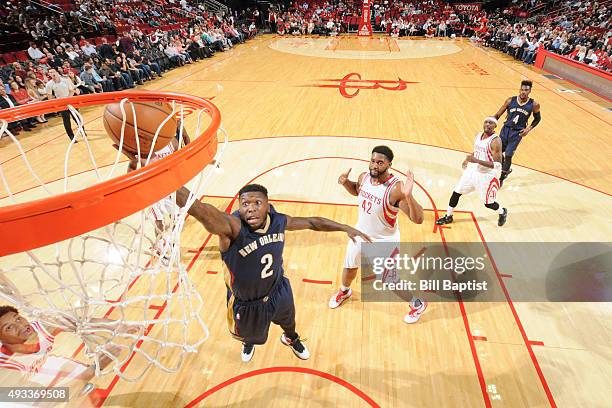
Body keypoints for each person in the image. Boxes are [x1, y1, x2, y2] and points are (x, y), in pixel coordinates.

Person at [175, 184, 371, 362]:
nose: (250, 208)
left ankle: (291, 338)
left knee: (289, 322)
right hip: (247, 303)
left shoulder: (278, 221)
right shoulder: (231, 228)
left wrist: (344, 227)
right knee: (250, 335)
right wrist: (168, 184)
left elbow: (313, 222)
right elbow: (200, 210)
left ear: (268, 206)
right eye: (245, 204)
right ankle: (248, 342)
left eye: (257, 203)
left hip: (278, 289)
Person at [329, 146, 428, 324]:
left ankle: (418, 304)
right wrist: (345, 183)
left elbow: (418, 219)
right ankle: (344, 291)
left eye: (380, 162)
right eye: (373, 161)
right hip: (360, 233)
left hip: (384, 241)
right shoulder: (364, 177)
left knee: (390, 281)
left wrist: (409, 196)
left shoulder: (395, 189)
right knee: (350, 267)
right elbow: (357, 190)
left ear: (389, 164)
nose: (375, 165)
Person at [0, 303, 137, 400]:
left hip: (34, 370)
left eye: (18, 318)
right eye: (9, 328)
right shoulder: (7, 369)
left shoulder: (41, 327)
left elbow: (79, 320)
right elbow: (45, 402)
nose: (20, 325)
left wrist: (117, 326)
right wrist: (95, 368)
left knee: (70, 369)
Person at [436, 117, 508, 227]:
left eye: (491, 123)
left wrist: (476, 161)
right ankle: (448, 216)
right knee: (456, 192)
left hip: (486, 175)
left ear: (495, 127)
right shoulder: (478, 136)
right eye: (486, 122)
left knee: (488, 204)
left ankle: (502, 212)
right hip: (473, 170)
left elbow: (498, 165)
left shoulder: (496, 141)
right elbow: (477, 151)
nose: (488, 124)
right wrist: (467, 159)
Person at [492, 80, 541, 186]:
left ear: (530, 91)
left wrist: (528, 129)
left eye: (526, 90)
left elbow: (538, 119)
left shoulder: (534, 104)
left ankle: (501, 177)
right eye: (522, 89)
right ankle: (506, 168)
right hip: (505, 130)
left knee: (508, 154)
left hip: (517, 133)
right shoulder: (510, 100)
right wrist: (491, 122)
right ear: (520, 89)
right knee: (498, 153)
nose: (523, 92)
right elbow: (498, 114)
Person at [44, 69, 79, 141]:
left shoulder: (66, 80)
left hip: (70, 100)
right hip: (61, 104)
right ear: (49, 75)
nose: (52, 73)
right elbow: (49, 97)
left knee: (77, 118)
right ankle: (71, 137)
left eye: (53, 71)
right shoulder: (49, 84)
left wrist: (67, 100)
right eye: (50, 72)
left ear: (57, 72)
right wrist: (54, 106)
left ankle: (82, 131)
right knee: (66, 121)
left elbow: (72, 91)